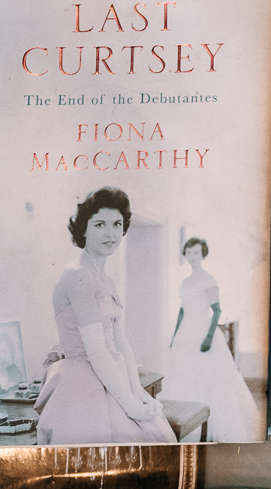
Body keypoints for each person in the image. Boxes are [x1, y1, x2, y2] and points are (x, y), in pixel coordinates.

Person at [33, 187, 174, 446]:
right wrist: (131, 406)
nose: (110, 233)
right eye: (100, 224)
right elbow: (97, 353)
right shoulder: (79, 276)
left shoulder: (105, 279)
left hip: (112, 373)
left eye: (117, 224)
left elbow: (120, 343)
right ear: (83, 229)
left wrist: (137, 390)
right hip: (84, 382)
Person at [161, 236, 263, 442]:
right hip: (185, 334)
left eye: (196, 253)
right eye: (189, 253)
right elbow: (182, 311)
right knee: (183, 377)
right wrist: (173, 337)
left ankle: (208, 427)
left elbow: (216, 311)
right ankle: (184, 424)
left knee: (209, 379)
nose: (192, 257)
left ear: (203, 254)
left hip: (203, 332)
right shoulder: (186, 281)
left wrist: (208, 338)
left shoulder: (208, 279)